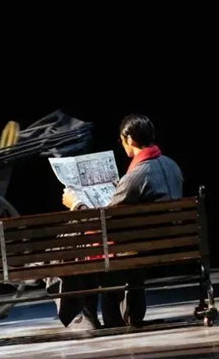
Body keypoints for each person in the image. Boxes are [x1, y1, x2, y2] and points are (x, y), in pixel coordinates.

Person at [59, 114, 184, 328]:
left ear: (130, 139)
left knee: (80, 241)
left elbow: (102, 222)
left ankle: (85, 316)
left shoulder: (136, 176)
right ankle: (123, 313)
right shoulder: (172, 165)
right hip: (171, 242)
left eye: (122, 140)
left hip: (139, 247)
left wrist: (76, 204)